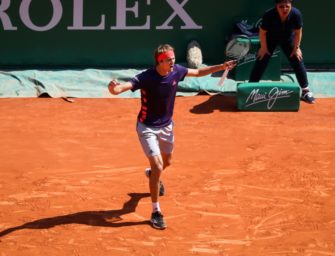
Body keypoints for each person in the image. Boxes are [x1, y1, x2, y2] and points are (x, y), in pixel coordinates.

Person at [108, 44, 236, 230]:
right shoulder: (146, 77)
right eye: (169, 60)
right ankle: (155, 211)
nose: (173, 62)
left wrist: (221, 66)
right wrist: (114, 89)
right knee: (158, 164)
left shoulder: (176, 71)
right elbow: (122, 88)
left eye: (173, 59)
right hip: (147, 128)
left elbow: (199, 73)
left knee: (166, 163)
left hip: (167, 127)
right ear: (159, 61)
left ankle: (153, 176)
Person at [249, 0, 315, 104]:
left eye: (287, 6)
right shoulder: (269, 14)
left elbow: (298, 32)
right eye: (281, 6)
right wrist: (263, 47)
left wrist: (296, 48)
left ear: (291, 5)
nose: (284, 9)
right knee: (261, 58)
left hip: (288, 39)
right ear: (276, 6)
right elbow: (262, 32)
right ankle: (251, 89)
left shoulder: (296, 14)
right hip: (271, 39)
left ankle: (305, 91)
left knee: (297, 59)